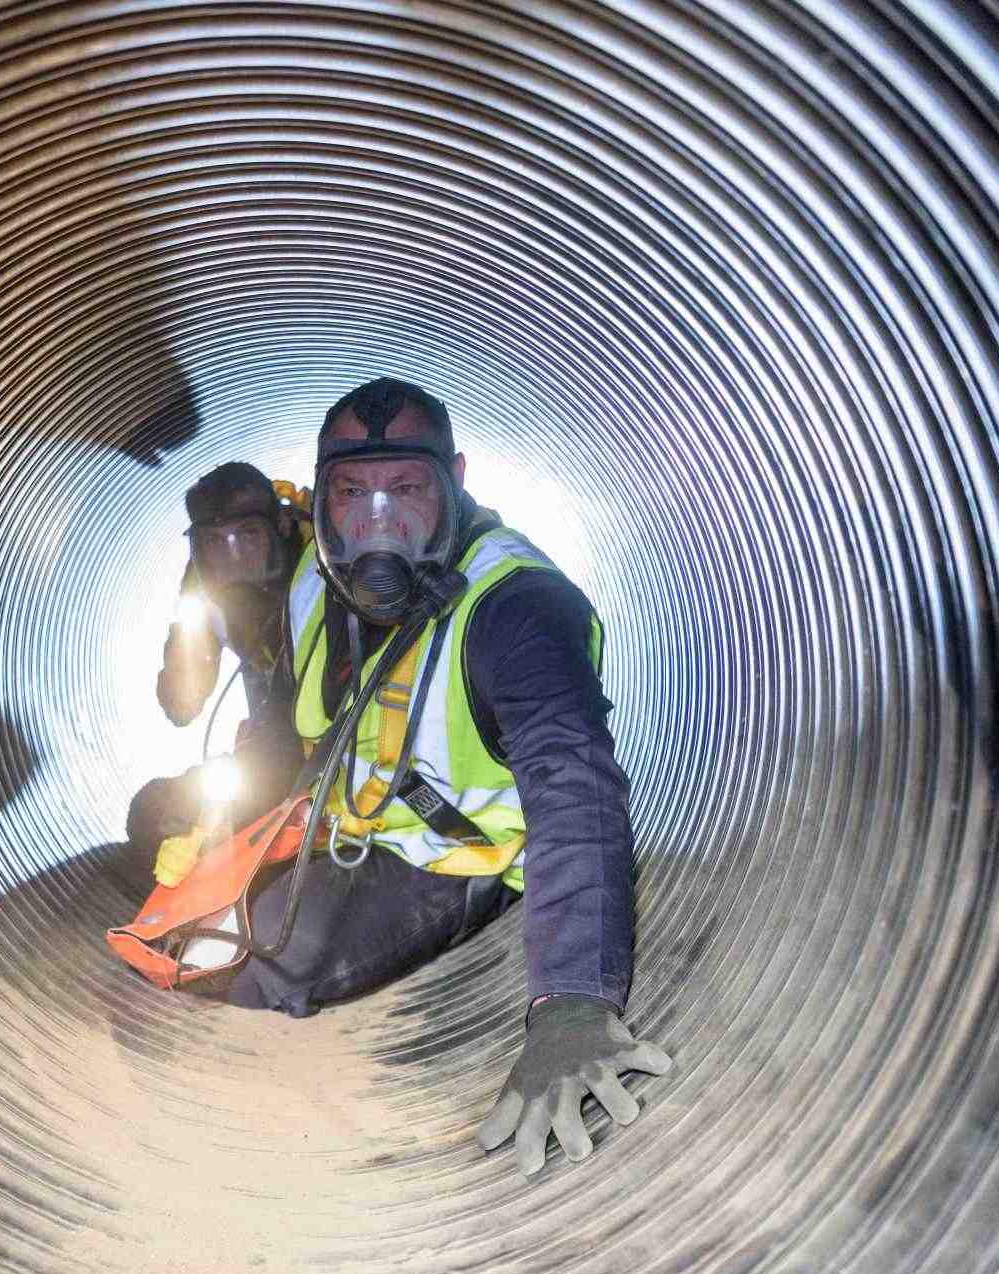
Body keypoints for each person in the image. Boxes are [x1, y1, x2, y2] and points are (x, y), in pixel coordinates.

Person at [159, 377, 669, 1175]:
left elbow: (576, 786)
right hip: (358, 829)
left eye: (406, 490)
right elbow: (286, 732)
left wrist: (572, 1002)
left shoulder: (517, 608)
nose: (377, 523)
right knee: (192, 926)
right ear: (321, 500)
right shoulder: (312, 586)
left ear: (456, 482)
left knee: (255, 971)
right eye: (352, 493)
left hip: (454, 864)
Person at [126, 464, 307, 868]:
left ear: (280, 524)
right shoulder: (201, 593)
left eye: (248, 534)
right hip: (274, 699)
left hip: (349, 684)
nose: (233, 555)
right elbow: (182, 700)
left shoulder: (323, 549)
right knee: (152, 817)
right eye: (214, 541)